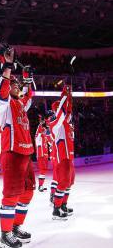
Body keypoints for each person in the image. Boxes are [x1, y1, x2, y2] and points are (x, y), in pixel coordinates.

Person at [0, 47, 35, 248]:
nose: (17, 86)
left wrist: (27, 77)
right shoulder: (3, 105)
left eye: (18, 85)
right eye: (14, 84)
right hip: (12, 152)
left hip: (26, 152)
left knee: (27, 193)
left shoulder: (19, 103)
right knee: (11, 194)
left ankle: (16, 227)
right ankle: (5, 234)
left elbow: (30, 95)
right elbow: (2, 92)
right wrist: (7, 67)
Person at [47, 85, 75, 219]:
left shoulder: (65, 122)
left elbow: (68, 111)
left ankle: (63, 205)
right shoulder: (54, 123)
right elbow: (63, 112)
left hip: (69, 156)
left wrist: (69, 96)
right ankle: (56, 209)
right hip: (61, 157)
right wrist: (64, 94)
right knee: (63, 182)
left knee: (69, 182)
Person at [35, 117, 50, 192]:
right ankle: (40, 186)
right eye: (43, 131)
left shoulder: (45, 137)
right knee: (42, 171)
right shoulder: (38, 137)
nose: (45, 131)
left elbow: (49, 132)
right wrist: (41, 124)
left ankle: (41, 185)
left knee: (44, 171)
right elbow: (39, 131)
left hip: (45, 155)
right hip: (41, 155)